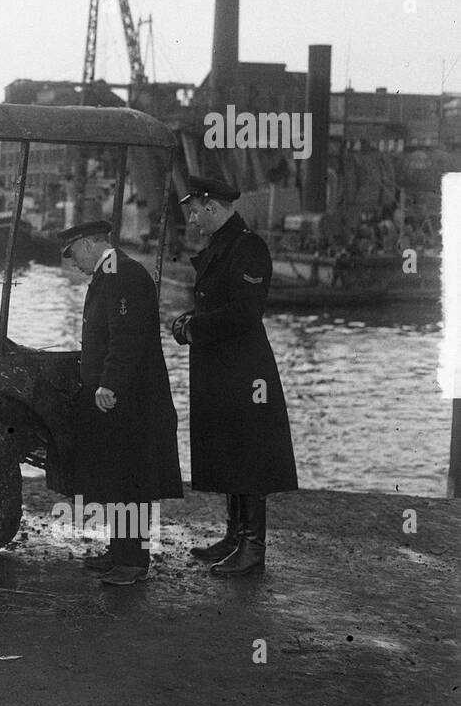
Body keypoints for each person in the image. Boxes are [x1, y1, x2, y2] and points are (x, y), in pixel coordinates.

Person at [172, 177, 297, 576]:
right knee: (228, 447)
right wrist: (191, 322)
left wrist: (194, 328)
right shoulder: (224, 245)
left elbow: (245, 312)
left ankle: (252, 547)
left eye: (194, 210)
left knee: (249, 454)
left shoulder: (248, 247)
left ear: (212, 206)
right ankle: (234, 536)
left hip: (244, 370)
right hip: (222, 366)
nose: (192, 219)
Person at [59, 219, 183, 586]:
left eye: (73, 254)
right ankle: (120, 551)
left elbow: (125, 337)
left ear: (86, 244)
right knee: (117, 476)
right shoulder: (111, 273)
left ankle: (132, 562)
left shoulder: (121, 274)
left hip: (129, 401)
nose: (73, 263)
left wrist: (109, 383)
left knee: (130, 481)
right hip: (118, 399)